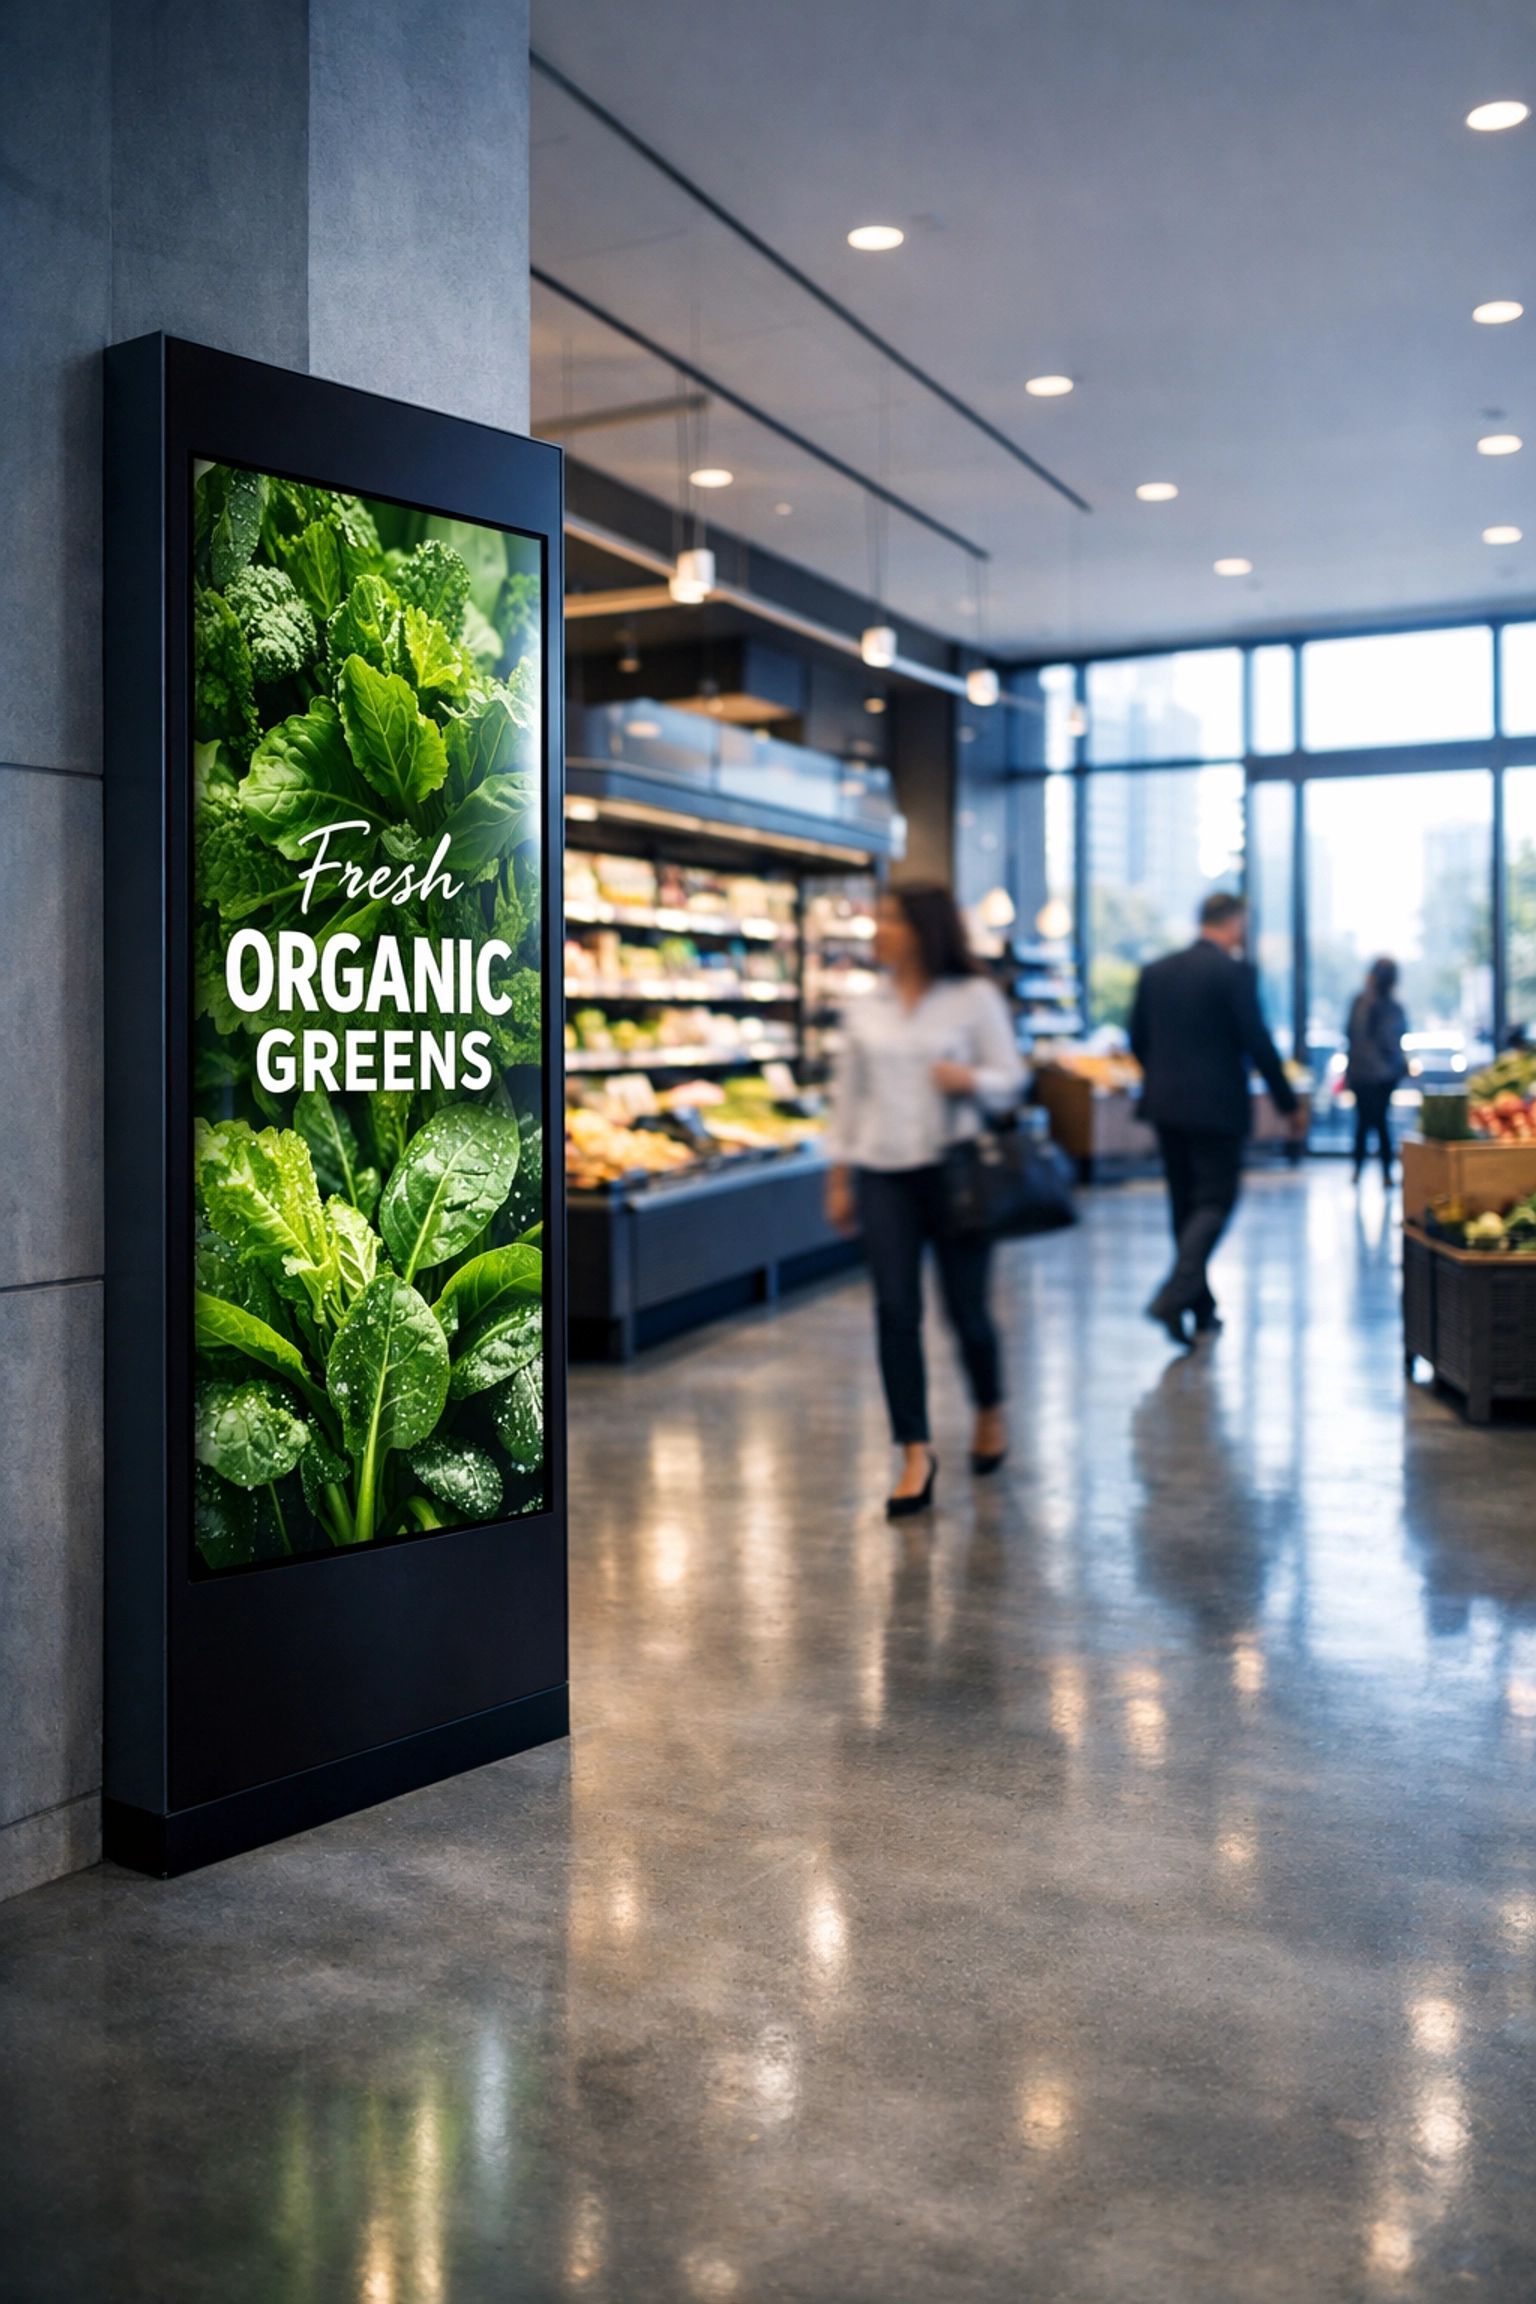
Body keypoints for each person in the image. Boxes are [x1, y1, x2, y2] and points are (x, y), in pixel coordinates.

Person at [825, 884, 1024, 1517]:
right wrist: (839, 1176)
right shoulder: (867, 1009)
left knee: (967, 1310)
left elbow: (1013, 1079)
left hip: (955, 1172)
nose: (876, 928)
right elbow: (848, 1097)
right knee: (895, 1312)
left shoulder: (974, 998)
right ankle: (914, 1449)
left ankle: (989, 1405)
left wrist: (971, 1080)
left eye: (887, 917)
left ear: (923, 928)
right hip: (885, 1176)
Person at [1129, 890, 1300, 1348]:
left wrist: (1165, 1080)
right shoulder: (1234, 973)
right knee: (1215, 1202)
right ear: (1234, 924)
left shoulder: (1156, 972)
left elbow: (1137, 1039)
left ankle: (1201, 1310)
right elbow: (1257, 1041)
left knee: (1184, 1207)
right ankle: (1175, 1294)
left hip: (1166, 1107)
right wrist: (1288, 1103)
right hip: (1217, 1108)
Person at [1345, 958, 1407, 1184]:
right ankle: (1383, 1173)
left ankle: (1363, 1170)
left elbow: (1351, 1036)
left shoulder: (1362, 1002)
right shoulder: (1389, 1006)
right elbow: (1393, 1041)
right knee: (1377, 1122)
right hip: (1379, 1075)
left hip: (1366, 1073)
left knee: (1366, 1122)